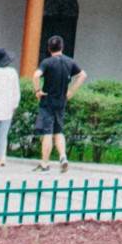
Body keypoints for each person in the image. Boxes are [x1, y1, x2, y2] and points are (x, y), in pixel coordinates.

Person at [34, 38, 85, 169]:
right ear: (62, 47)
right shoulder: (70, 61)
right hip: (61, 101)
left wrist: (38, 90)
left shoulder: (47, 62)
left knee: (47, 133)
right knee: (59, 131)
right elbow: (83, 75)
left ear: (49, 48)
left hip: (47, 101)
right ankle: (63, 157)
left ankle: (45, 163)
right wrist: (71, 91)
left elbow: (36, 75)